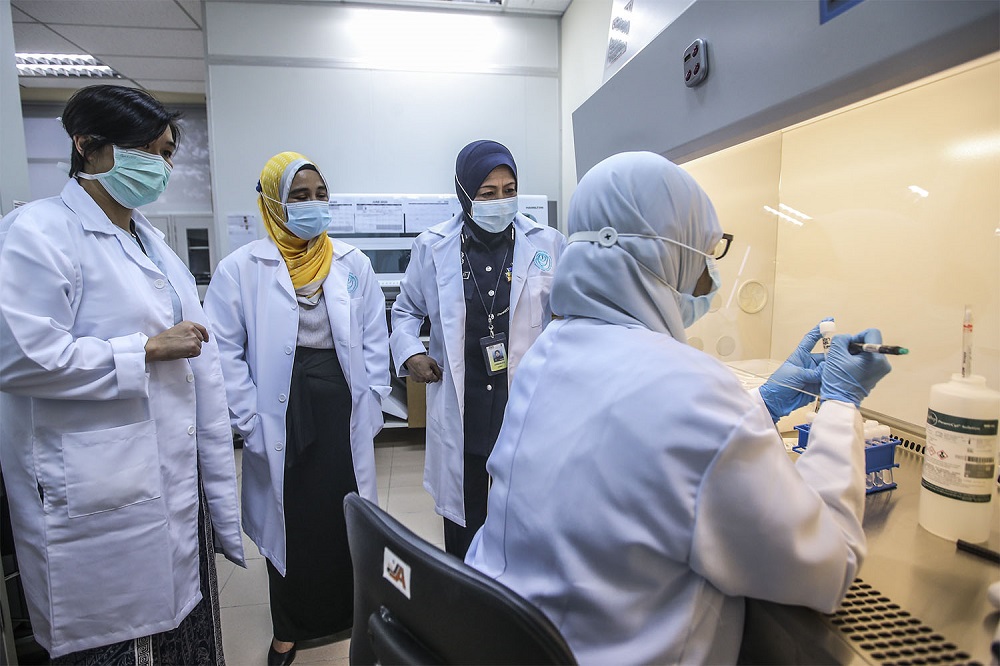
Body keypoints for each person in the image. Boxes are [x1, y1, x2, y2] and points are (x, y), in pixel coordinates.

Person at [465, 151, 892, 664]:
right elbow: (828, 566)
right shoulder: (693, 389)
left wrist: (762, 404)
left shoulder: (548, 356)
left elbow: (644, 444)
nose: (708, 278)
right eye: (702, 253)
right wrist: (841, 407)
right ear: (663, 256)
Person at [0, 84, 245, 664]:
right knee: (123, 641)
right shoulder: (38, 231)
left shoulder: (151, 243)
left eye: (165, 152)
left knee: (185, 629)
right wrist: (142, 352)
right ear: (87, 145)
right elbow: (16, 356)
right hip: (98, 490)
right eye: (145, 150)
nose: (159, 166)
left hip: (170, 479)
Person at [204, 151, 389, 666]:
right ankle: (288, 630)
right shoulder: (241, 268)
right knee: (292, 522)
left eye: (320, 194)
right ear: (272, 204)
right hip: (280, 412)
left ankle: (352, 616)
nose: (313, 205)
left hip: (341, 410)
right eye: (299, 196)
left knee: (345, 515)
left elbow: (374, 338)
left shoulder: (353, 263)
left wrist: (371, 398)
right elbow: (223, 352)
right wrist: (248, 418)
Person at [390, 140, 567, 558]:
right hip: (462, 402)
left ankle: (512, 600)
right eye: (488, 193)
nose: (501, 201)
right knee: (464, 517)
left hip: (521, 401)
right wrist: (411, 354)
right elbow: (405, 311)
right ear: (464, 192)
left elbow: (566, 314)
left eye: (509, 189)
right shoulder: (432, 246)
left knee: (521, 511)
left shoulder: (548, 243)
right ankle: (463, 598)